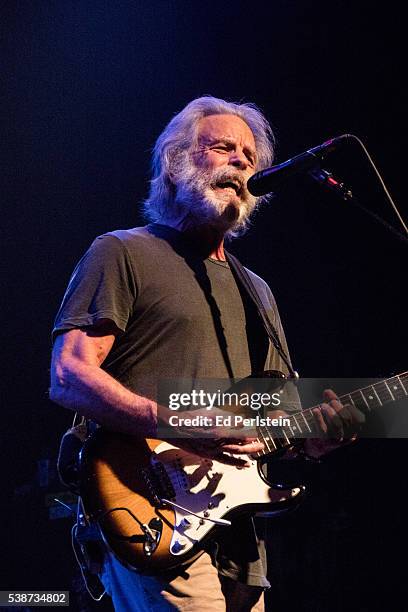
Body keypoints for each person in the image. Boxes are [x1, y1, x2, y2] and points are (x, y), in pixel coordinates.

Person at [50, 96, 362, 612]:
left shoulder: (257, 289)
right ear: (175, 165)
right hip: (148, 503)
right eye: (222, 148)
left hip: (237, 530)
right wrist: (173, 421)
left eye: (248, 155)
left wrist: (311, 439)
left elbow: (268, 417)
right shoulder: (123, 251)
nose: (241, 161)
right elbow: (68, 375)